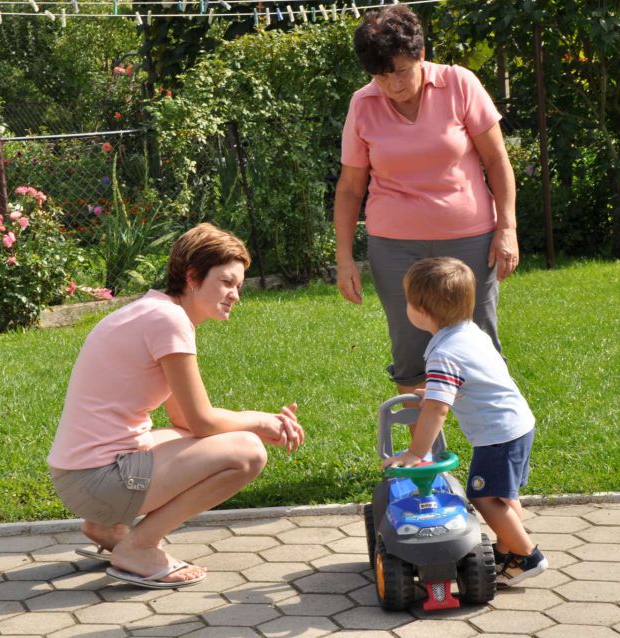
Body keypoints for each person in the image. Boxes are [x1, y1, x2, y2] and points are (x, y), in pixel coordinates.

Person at [48, 223, 305, 589]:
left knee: (193, 435)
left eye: (239, 286)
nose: (236, 295)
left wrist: (254, 422)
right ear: (192, 276)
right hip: (96, 482)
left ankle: (107, 527)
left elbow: (184, 419)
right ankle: (138, 546)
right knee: (248, 452)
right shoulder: (169, 321)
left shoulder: (155, 311)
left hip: (79, 477)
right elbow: (202, 421)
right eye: (226, 282)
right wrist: (262, 423)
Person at [335, 4, 520, 400]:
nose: (393, 85)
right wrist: (345, 257)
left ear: (420, 53)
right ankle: (426, 458)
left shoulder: (459, 84)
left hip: (469, 238)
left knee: (479, 342)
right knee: (410, 350)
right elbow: (351, 187)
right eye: (381, 76)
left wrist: (507, 228)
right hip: (395, 246)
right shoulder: (362, 104)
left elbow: (496, 160)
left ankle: (499, 443)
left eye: (401, 71)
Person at [383, 257, 547, 586]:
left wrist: (417, 452)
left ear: (423, 310)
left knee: (484, 497)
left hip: (497, 434)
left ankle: (527, 555)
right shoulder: (470, 332)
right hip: (517, 424)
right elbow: (470, 377)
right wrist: (434, 388)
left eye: (408, 302)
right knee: (504, 494)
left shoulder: (443, 352)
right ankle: (507, 551)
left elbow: (437, 411)